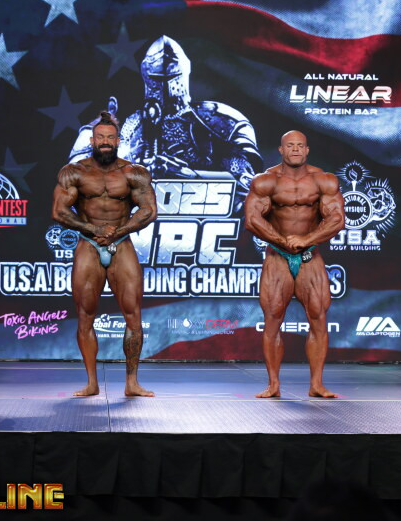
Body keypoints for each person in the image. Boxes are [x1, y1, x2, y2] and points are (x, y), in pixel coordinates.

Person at [69, 36, 262, 210]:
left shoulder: (216, 118)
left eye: (171, 78)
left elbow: (245, 183)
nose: (165, 87)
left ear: (184, 74)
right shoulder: (133, 124)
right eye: (157, 79)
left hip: (201, 211)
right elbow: (81, 173)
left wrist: (187, 174)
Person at [52, 112, 158, 397]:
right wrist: (92, 228)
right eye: (100, 137)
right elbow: (59, 211)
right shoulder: (74, 172)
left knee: (133, 315)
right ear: (92, 141)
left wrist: (118, 230)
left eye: (110, 137)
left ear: (118, 141)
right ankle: (91, 382)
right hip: (88, 244)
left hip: (121, 243)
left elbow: (149, 210)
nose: (105, 142)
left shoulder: (134, 173)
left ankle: (132, 382)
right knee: (85, 315)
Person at [244, 130, 345, 398]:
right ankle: (273, 385)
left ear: (307, 150)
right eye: (290, 145)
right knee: (272, 320)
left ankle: (317, 385)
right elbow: (252, 220)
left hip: (310, 256)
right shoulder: (266, 181)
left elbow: (337, 219)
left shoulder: (324, 180)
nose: (296, 149)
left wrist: (306, 240)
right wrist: (282, 241)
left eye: (300, 145)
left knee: (318, 319)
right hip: (277, 257)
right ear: (281, 150)